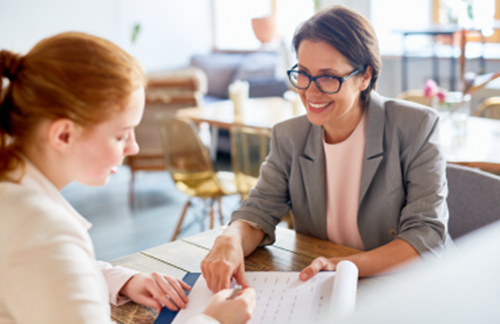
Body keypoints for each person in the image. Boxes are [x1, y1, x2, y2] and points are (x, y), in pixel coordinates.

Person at [0, 32, 254, 324]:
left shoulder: (16, 196)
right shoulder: (43, 232)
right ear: (64, 135)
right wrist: (214, 320)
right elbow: (49, 257)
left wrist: (122, 280)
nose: (133, 147)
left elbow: (47, 272)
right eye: (121, 135)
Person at [201, 5, 451, 293]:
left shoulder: (415, 126)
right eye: (304, 73)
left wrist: (347, 266)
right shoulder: (289, 137)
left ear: (365, 77)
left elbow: (426, 235)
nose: (311, 91)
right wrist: (230, 238)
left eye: (329, 76)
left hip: (411, 285)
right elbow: (258, 211)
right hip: (327, 284)